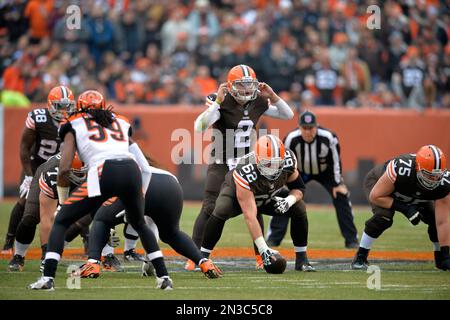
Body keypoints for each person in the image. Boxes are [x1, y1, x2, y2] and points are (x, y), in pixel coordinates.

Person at [29, 90, 173, 291]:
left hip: (103, 171)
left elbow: (64, 168)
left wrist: (63, 202)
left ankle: (47, 278)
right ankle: (164, 277)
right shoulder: (120, 121)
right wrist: (141, 195)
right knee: (140, 223)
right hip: (131, 171)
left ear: (79, 107)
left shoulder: (74, 123)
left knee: (61, 220)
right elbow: (145, 167)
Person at [187, 64, 294, 270]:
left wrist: (273, 95)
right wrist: (217, 102)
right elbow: (199, 127)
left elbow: (288, 115)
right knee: (210, 207)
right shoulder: (222, 100)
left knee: (257, 205)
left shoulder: (258, 101)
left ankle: (260, 257)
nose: (246, 91)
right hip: (221, 161)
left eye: (249, 86)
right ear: (230, 86)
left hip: (247, 162)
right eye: (241, 86)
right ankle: (195, 256)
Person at [78, 163, 222, 279]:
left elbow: (98, 215)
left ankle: (93, 263)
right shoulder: (124, 157)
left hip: (140, 183)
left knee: (101, 220)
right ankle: (204, 262)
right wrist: (149, 262)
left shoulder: (102, 167)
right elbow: (149, 224)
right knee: (172, 234)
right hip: (170, 183)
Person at [200, 135, 315, 272]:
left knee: (299, 206)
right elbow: (250, 215)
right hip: (237, 195)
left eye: (276, 163)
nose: (272, 168)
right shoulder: (246, 169)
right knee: (222, 208)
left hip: (267, 196)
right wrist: (263, 249)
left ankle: (302, 260)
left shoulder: (289, 161)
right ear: (257, 159)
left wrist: (288, 201)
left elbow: (299, 189)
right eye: (267, 164)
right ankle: (203, 257)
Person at [267, 110, 359, 248]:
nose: (308, 132)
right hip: (300, 172)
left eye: (311, 128)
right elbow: (284, 161)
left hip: (324, 172)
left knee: (341, 195)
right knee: (283, 196)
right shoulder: (291, 138)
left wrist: (338, 183)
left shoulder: (329, 137)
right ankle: (274, 238)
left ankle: (351, 239)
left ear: (316, 126)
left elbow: (336, 161)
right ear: (299, 127)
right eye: (305, 128)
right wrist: (283, 182)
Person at [351, 145, 450, 270]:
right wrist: (406, 209)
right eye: (428, 175)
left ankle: (440, 258)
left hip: (413, 194)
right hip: (382, 187)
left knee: (434, 218)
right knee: (383, 217)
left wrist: (446, 256)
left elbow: (442, 222)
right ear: (418, 168)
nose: (433, 180)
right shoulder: (402, 169)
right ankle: (360, 256)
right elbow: (376, 196)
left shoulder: (444, 184)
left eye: (436, 175)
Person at [2, 85, 75, 254]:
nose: (64, 111)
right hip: (35, 166)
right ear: (50, 105)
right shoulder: (38, 117)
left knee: (73, 204)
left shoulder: (75, 121)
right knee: (25, 201)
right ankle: (9, 240)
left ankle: (86, 240)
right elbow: (24, 148)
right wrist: (28, 175)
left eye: (67, 106)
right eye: (60, 106)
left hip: (59, 167)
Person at [8, 153, 89, 272]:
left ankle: (55, 251)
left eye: (82, 172)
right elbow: (47, 217)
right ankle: (19, 256)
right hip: (55, 179)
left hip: (79, 183)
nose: (80, 175)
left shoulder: (95, 168)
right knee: (31, 217)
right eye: (77, 173)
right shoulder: (52, 173)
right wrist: (46, 254)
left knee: (83, 220)